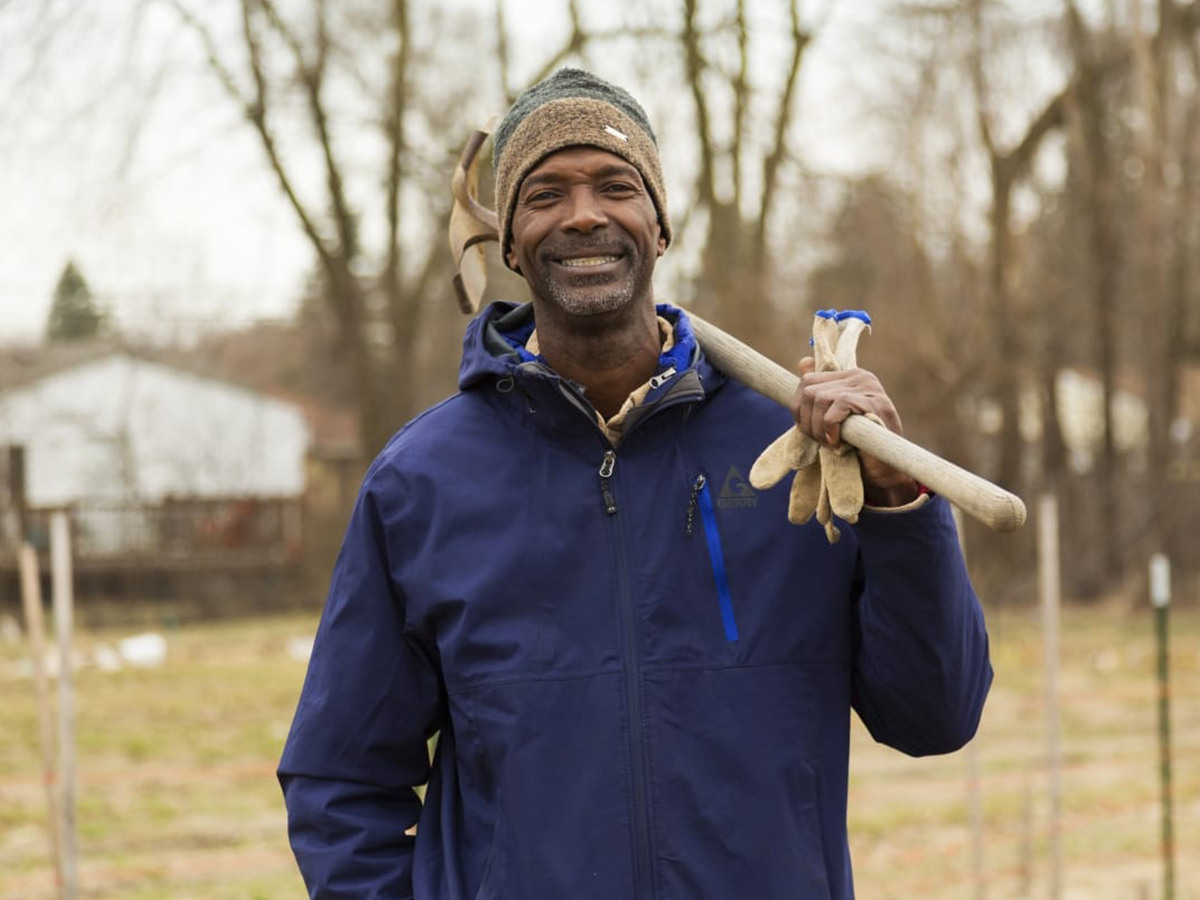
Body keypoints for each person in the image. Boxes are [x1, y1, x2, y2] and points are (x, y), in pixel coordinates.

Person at [278, 68, 992, 900]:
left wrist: (898, 504)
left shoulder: (796, 454)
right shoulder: (422, 484)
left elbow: (935, 717)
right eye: (545, 194)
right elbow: (340, 785)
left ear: (660, 227)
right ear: (510, 242)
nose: (584, 213)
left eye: (615, 185)